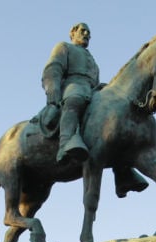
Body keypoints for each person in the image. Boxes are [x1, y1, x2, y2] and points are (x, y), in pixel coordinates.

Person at [42, 22, 99, 164]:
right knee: (75, 98)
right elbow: (53, 68)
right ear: (73, 33)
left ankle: (123, 169)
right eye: (83, 31)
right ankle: (65, 143)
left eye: (88, 33)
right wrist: (53, 92)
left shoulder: (93, 61)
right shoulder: (64, 47)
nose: (87, 35)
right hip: (72, 86)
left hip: (91, 90)